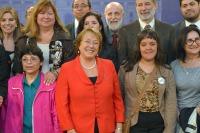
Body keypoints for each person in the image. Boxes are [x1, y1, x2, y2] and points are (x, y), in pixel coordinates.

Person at [55, 28, 124, 133]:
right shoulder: (66, 69)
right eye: (87, 42)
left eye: (95, 43)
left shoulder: (109, 65)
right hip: (77, 130)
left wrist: (119, 126)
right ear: (79, 45)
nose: (91, 46)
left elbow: (117, 99)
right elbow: (61, 104)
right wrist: (70, 129)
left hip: (107, 128)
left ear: (99, 47)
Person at [119, 29, 177, 133]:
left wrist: (169, 129)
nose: (148, 48)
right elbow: (119, 98)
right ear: (138, 47)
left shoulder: (166, 71)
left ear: (157, 46)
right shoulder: (126, 69)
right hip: (134, 123)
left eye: (152, 44)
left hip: (159, 124)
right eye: (144, 44)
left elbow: (171, 103)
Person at [13, 0, 74, 84]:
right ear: (36, 16)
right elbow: (17, 69)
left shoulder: (65, 39)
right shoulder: (24, 40)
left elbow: (71, 65)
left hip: (58, 87)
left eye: (50, 13)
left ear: (55, 17)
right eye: (42, 13)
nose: (46, 16)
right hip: (30, 87)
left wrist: (55, 73)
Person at [3, 44, 59, 133]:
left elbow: (56, 116)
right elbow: (4, 112)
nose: (29, 62)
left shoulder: (50, 86)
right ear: (21, 62)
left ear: (41, 62)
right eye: (25, 59)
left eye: (33, 59)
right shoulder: (12, 83)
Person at [118, 0, 175, 65]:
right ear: (136, 8)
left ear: (155, 5)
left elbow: (172, 61)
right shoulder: (124, 31)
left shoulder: (169, 30)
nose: (143, 8)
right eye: (140, 5)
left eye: (147, 4)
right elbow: (123, 61)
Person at [171, 25, 200, 132]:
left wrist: (195, 114)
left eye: (197, 39)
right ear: (183, 44)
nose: (194, 43)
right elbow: (170, 94)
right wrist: (177, 114)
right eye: (190, 41)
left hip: (197, 118)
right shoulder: (174, 66)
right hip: (178, 119)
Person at [0, 6, 22, 74]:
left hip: (17, 83)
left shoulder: (23, 43)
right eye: (3, 20)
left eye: (11, 20)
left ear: (16, 23)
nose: (7, 23)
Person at [104, 2, 124, 71]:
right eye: (109, 14)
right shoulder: (99, 36)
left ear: (122, 15)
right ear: (105, 16)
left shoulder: (131, 34)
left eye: (116, 13)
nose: (113, 17)